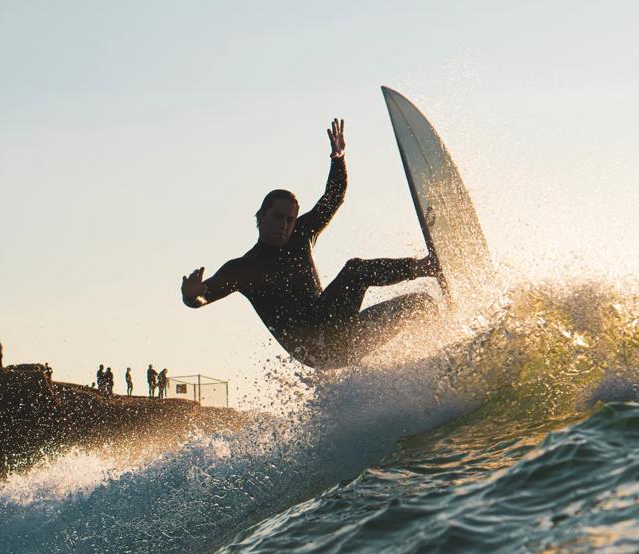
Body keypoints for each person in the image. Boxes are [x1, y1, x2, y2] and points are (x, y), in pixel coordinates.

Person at [180, 118, 442, 370]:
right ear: (261, 216)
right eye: (278, 217)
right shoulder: (244, 268)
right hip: (316, 347)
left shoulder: (301, 234)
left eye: (290, 219)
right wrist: (192, 294)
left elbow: (333, 197)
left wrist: (338, 159)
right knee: (355, 270)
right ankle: (426, 267)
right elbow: (203, 297)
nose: (285, 225)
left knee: (420, 304)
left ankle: (442, 358)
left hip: (344, 333)